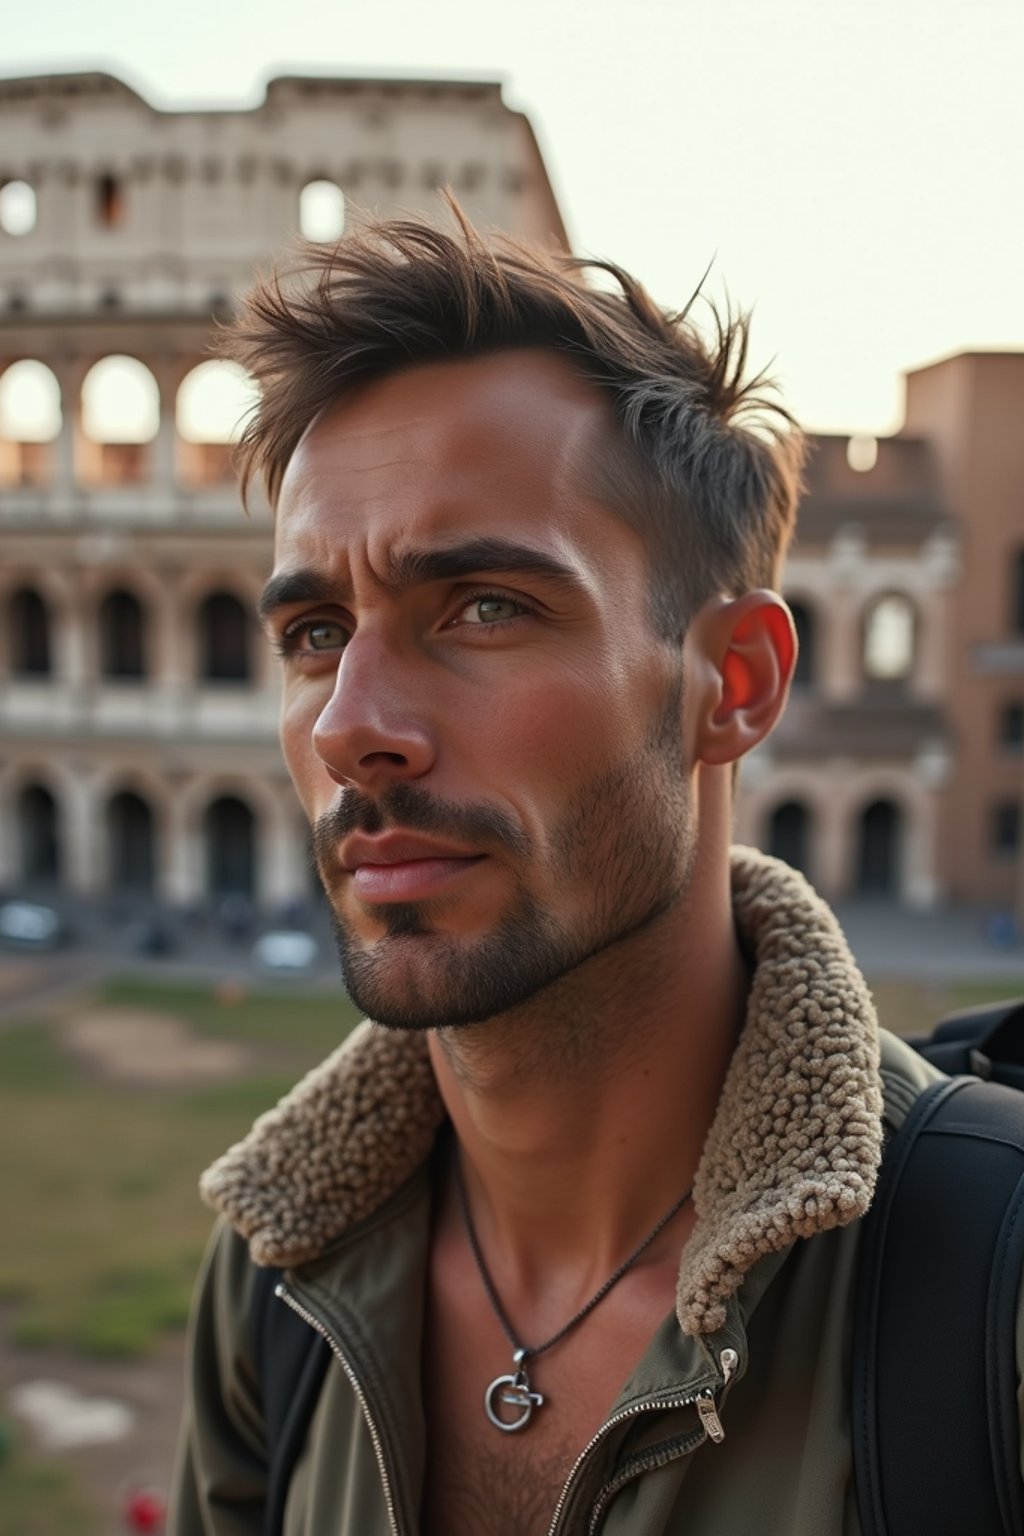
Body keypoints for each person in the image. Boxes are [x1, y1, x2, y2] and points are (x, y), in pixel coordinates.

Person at [169, 210, 948, 1536]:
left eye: (483, 607)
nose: (353, 723)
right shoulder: (274, 1284)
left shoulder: (982, 1303)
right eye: (313, 631)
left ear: (733, 684)